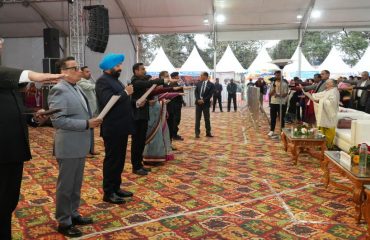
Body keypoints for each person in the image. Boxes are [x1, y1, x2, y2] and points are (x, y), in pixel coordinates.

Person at [0, 66, 63, 240]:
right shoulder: (6, 77)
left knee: (7, 203)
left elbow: (15, 114)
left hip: (14, 153)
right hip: (3, 155)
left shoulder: (9, 87)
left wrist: (34, 119)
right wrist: (37, 76)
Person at [48, 57, 102, 238]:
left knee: (75, 184)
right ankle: (64, 221)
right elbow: (58, 121)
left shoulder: (76, 87)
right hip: (69, 144)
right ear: (64, 72)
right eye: (75, 68)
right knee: (66, 186)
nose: (79, 71)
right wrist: (87, 124)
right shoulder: (59, 90)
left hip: (79, 144)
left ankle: (73, 213)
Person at [95, 53, 137, 204]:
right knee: (112, 160)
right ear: (108, 67)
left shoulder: (114, 80)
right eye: (117, 65)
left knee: (119, 160)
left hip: (121, 126)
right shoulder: (102, 82)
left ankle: (116, 187)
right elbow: (107, 101)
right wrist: (126, 92)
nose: (120, 68)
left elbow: (121, 101)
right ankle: (108, 192)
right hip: (112, 127)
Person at [130, 63, 170, 175]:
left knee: (141, 141)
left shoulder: (139, 81)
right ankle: (136, 166)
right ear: (136, 71)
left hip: (142, 115)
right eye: (142, 69)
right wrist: (163, 80)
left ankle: (139, 164)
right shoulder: (135, 82)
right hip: (137, 117)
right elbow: (149, 83)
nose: (144, 71)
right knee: (137, 142)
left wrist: (147, 101)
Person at [302, 79, 339, 149]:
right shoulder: (327, 91)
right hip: (323, 114)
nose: (326, 84)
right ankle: (320, 146)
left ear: (332, 84)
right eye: (326, 83)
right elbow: (318, 95)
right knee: (321, 129)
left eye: (328, 83)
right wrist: (310, 95)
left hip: (330, 115)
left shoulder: (334, 91)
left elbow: (332, 103)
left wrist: (320, 101)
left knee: (329, 130)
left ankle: (327, 147)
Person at [77, 66, 99, 157]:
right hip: (85, 110)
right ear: (81, 73)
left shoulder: (88, 81)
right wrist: (100, 85)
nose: (89, 73)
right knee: (85, 132)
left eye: (90, 71)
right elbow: (91, 87)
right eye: (87, 72)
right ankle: (85, 151)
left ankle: (91, 149)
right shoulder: (80, 82)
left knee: (91, 131)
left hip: (91, 110)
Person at [268, 70, 289, 137]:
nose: (277, 76)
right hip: (273, 102)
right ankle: (272, 130)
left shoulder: (285, 84)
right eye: (276, 75)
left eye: (278, 75)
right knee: (273, 117)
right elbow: (270, 94)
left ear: (281, 75)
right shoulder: (272, 83)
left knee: (281, 117)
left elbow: (286, 94)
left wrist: (278, 95)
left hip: (281, 103)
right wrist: (273, 91)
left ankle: (282, 131)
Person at [195, 72, 215, 138]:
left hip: (205, 104)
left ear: (205, 76)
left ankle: (208, 132)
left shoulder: (211, 85)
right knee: (197, 119)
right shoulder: (198, 83)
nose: (200, 76)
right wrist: (198, 99)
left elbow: (210, 95)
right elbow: (196, 92)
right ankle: (197, 133)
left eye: (201, 75)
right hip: (198, 103)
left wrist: (203, 100)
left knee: (207, 118)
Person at [168, 71, 185, 141]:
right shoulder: (173, 84)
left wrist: (183, 101)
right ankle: (174, 135)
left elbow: (180, 93)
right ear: (174, 77)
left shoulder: (176, 83)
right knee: (176, 120)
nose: (179, 77)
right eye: (177, 76)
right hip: (175, 104)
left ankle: (174, 134)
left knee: (177, 120)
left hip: (177, 104)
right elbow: (178, 93)